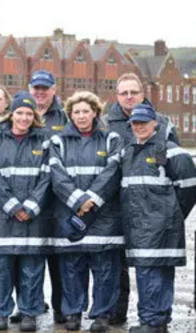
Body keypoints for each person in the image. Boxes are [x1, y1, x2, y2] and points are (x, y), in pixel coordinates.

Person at [104, 72, 180, 325]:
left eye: (133, 92)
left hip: (151, 210)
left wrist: (170, 209)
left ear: (143, 94)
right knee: (117, 263)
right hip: (116, 206)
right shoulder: (106, 124)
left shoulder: (163, 123)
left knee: (153, 263)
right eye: (124, 93)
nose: (129, 97)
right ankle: (117, 313)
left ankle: (155, 317)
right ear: (116, 96)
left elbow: (177, 170)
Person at [49, 91, 124, 331]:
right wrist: (77, 200)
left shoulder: (111, 139)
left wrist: (91, 199)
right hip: (70, 214)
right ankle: (73, 313)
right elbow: (56, 175)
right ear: (70, 114)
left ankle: (102, 314)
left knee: (105, 268)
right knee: (72, 267)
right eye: (76, 112)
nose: (81, 116)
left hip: (104, 216)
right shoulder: (58, 141)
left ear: (95, 113)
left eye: (86, 111)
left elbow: (113, 170)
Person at [0, 92, 52, 331]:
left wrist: (31, 206)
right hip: (3, 215)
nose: (24, 118)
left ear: (35, 117)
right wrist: (12, 206)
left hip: (34, 215)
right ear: (12, 114)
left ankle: (29, 312)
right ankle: (0, 312)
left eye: (29, 114)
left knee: (32, 266)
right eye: (20, 112)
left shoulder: (44, 142)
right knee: (1, 266)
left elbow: (48, 178)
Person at [120, 104, 196, 333]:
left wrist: (171, 215)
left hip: (162, 226)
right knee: (148, 271)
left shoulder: (171, 152)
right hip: (139, 226)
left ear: (155, 123)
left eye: (144, 122)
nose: (139, 127)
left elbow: (189, 189)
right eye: (135, 123)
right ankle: (155, 321)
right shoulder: (129, 152)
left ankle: (153, 321)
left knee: (155, 272)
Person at [11, 69, 68, 324]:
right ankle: (26, 307)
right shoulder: (22, 113)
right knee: (26, 257)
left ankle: (61, 309)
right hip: (28, 199)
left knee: (58, 260)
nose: (40, 92)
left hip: (56, 200)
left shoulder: (65, 117)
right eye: (36, 88)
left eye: (45, 88)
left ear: (54, 90)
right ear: (29, 88)